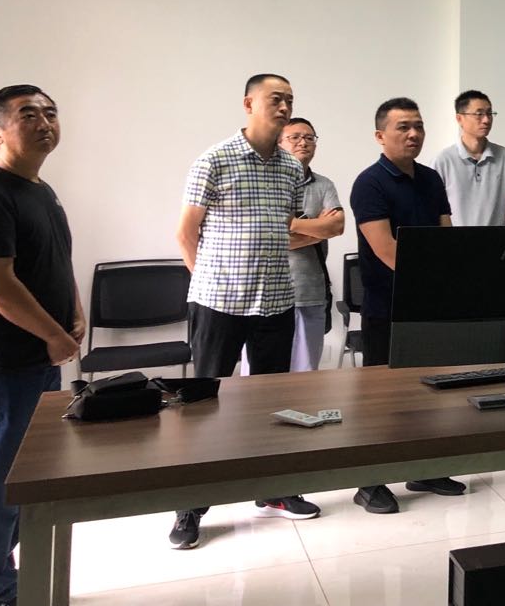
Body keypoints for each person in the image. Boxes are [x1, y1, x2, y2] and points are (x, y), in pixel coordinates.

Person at [170, 74, 319, 549]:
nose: (284, 106)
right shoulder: (214, 159)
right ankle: (191, 505)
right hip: (219, 302)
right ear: (248, 103)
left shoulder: (292, 168)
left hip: (275, 300)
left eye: (290, 99)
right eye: (276, 98)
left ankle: (273, 488)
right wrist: (207, 282)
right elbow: (185, 232)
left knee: (272, 402)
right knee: (202, 403)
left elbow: (285, 227)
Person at [0, 85, 82, 605]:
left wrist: (75, 312)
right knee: (1, 478)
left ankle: (8, 577)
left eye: (51, 112)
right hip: (8, 364)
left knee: (30, 476)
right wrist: (52, 335)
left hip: (43, 357)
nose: (45, 122)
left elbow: (56, 260)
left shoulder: (41, 190)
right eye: (29, 114)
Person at [349, 97, 463, 514]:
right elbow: (387, 249)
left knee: (427, 391)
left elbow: (446, 236)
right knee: (380, 398)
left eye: (419, 126)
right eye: (403, 127)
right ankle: (369, 481)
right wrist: (434, 279)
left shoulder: (431, 178)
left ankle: (424, 468)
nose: (414, 134)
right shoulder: (369, 183)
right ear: (380, 136)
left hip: (429, 305)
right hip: (387, 305)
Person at [241, 118, 342, 375]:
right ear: (278, 143)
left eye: (309, 137)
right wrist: (315, 229)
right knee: (258, 377)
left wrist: (291, 224)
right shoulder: (261, 182)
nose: (303, 142)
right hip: (263, 295)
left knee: (305, 374)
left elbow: (336, 226)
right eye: (294, 137)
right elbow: (259, 236)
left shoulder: (324, 185)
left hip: (309, 291)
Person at [432, 90, 505, 227]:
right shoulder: (443, 160)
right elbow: (435, 211)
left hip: (496, 238)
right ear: (459, 118)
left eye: (489, 113)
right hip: (455, 239)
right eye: (479, 114)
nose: (486, 120)